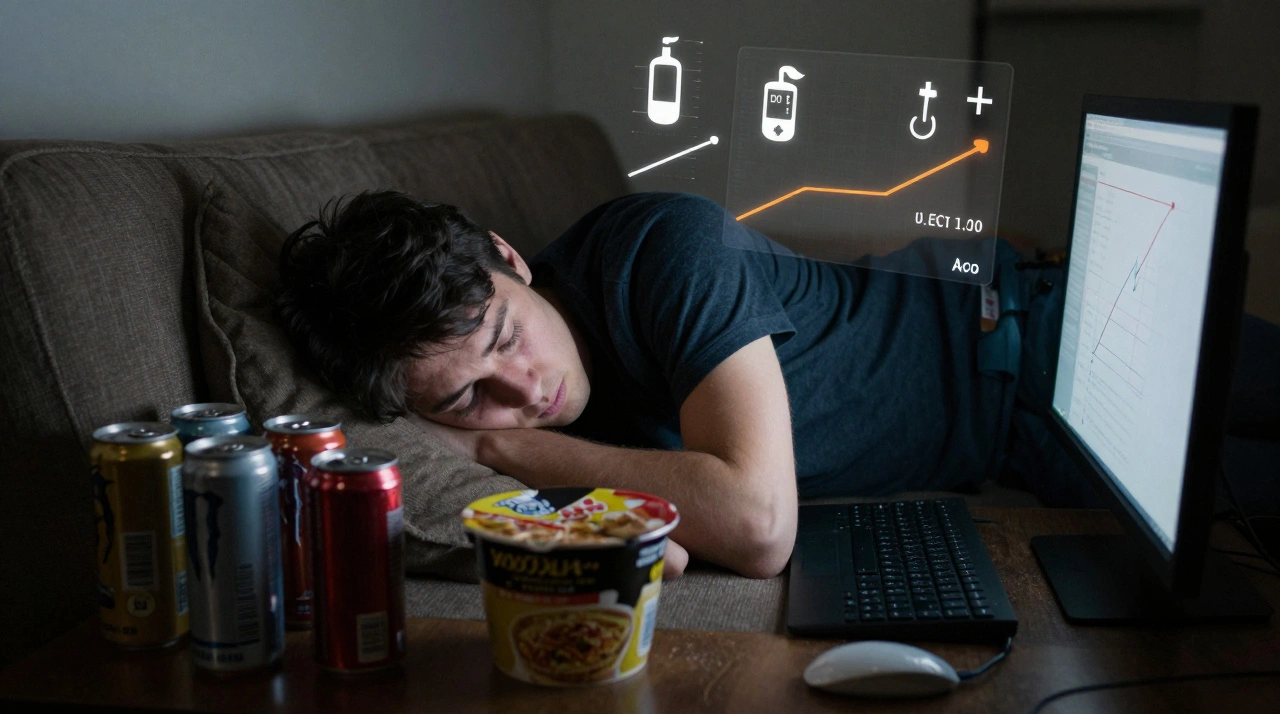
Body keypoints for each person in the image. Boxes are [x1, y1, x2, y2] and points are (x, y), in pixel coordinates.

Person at [271, 191, 1109, 578]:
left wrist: (494, 441)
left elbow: (756, 525)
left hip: (1035, 332)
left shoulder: (665, 249)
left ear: (511, 257)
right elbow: (668, 556)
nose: (524, 390)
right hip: (1010, 450)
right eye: (464, 398)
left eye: (505, 335)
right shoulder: (522, 426)